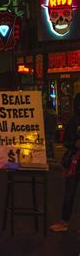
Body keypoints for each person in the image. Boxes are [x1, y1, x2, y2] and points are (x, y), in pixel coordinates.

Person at [50, 93, 80, 232]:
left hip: (74, 160)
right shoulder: (73, 122)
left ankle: (64, 222)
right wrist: (75, 143)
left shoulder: (72, 121)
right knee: (69, 193)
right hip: (74, 161)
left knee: (69, 192)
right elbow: (66, 141)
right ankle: (64, 221)